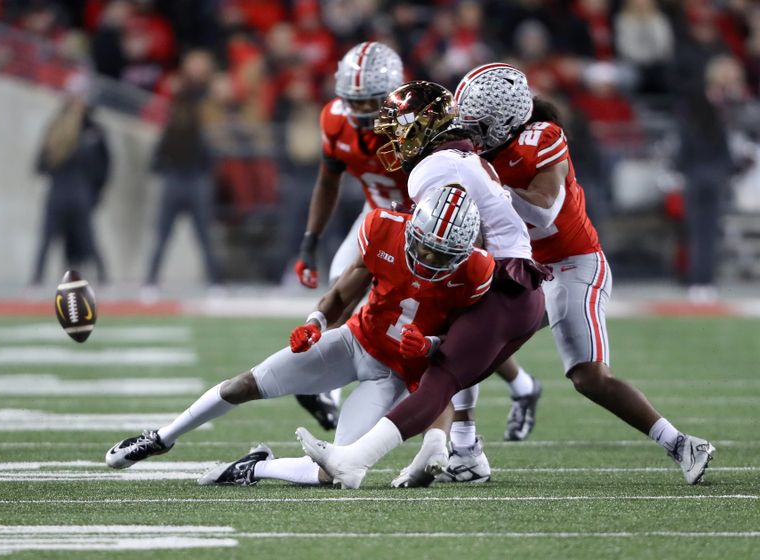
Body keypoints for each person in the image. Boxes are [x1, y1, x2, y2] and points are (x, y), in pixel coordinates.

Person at [106, 186, 495, 489]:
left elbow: (465, 349)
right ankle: (162, 436)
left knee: (341, 472)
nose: (428, 258)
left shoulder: (477, 272)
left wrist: (429, 346)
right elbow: (344, 294)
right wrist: (315, 324)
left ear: (464, 253)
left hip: (392, 377)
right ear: (413, 227)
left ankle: (256, 468)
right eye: (425, 246)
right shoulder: (384, 228)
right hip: (355, 341)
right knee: (247, 384)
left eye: (441, 255)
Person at [444, 63, 715, 485]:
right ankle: (465, 453)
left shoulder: (543, 136)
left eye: (480, 125)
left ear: (507, 120)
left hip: (572, 264)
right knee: (456, 342)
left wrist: (487, 184)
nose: (473, 134)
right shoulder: (478, 151)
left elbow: (545, 210)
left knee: (588, 378)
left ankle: (682, 443)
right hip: (522, 267)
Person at [297, 80, 549, 489]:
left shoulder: (434, 167)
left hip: (500, 284)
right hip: (512, 284)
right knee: (449, 368)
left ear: (423, 126)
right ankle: (463, 454)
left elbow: (456, 239)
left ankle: (353, 460)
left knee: (440, 378)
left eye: (400, 127)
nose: (394, 138)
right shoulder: (460, 155)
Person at [290, 41, 407, 430]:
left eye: (368, 101)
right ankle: (328, 391)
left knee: (445, 319)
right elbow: (327, 182)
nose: (358, 111)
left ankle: (518, 386)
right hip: (376, 216)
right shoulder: (335, 119)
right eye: (352, 101)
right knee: (341, 289)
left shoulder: (414, 123)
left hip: (424, 222)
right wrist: (310, 240)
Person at [142, 50, 223, 296]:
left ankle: (216, 282)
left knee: (204, 235)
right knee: (162, 234)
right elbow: (166, 130)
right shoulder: (177, 97)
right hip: (175, 174)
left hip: (197, 175)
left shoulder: (208, 97)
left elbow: (211, 122)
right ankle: (151, 281)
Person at [31, 73, 110, 285]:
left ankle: (103, 278)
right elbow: (40, 163)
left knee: (87, 238)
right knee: (48, 237)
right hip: (60, 188)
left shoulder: (93, 129)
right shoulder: (57, 125)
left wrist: (96, 192)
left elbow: (104, 166)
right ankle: (36, 279)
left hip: (81, 191)